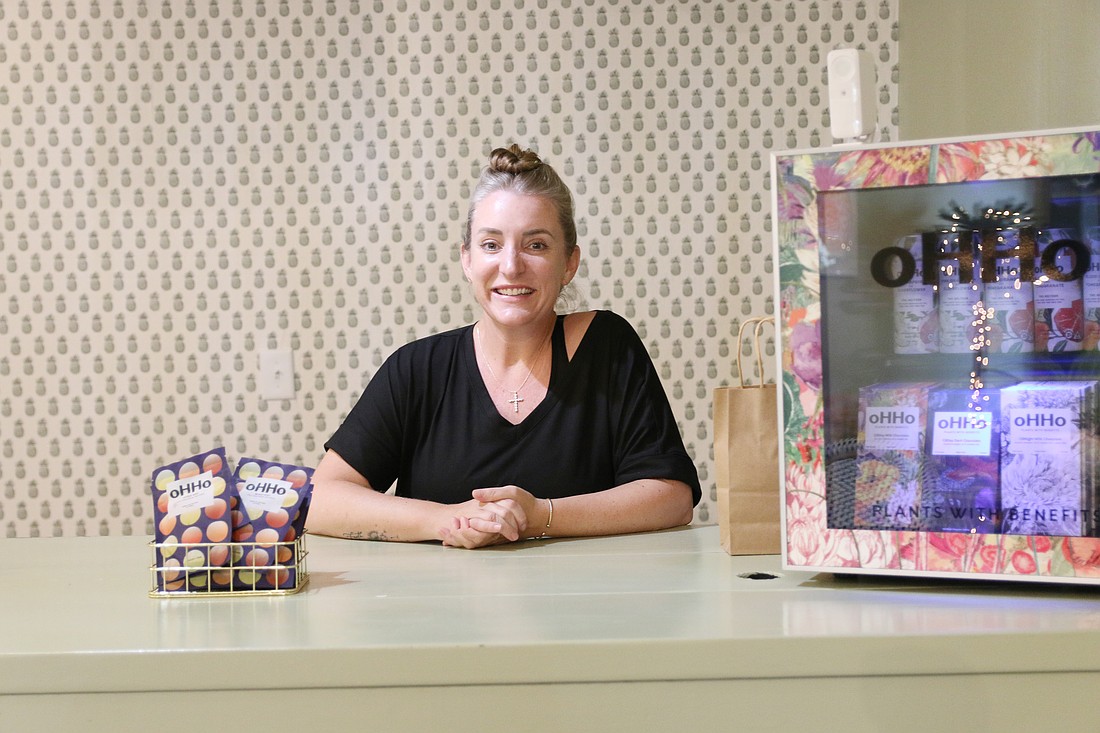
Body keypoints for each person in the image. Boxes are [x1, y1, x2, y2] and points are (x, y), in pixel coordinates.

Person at [308, 144, 701, 548]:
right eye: (491, 245)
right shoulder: (417, 369)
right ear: (467, 260)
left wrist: (539, 517)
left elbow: (672, 497)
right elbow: (320, 499)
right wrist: (453, 519)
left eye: (536, 245)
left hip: (585, 605)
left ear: (569, 262)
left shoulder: (607, 347)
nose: (511, 266)